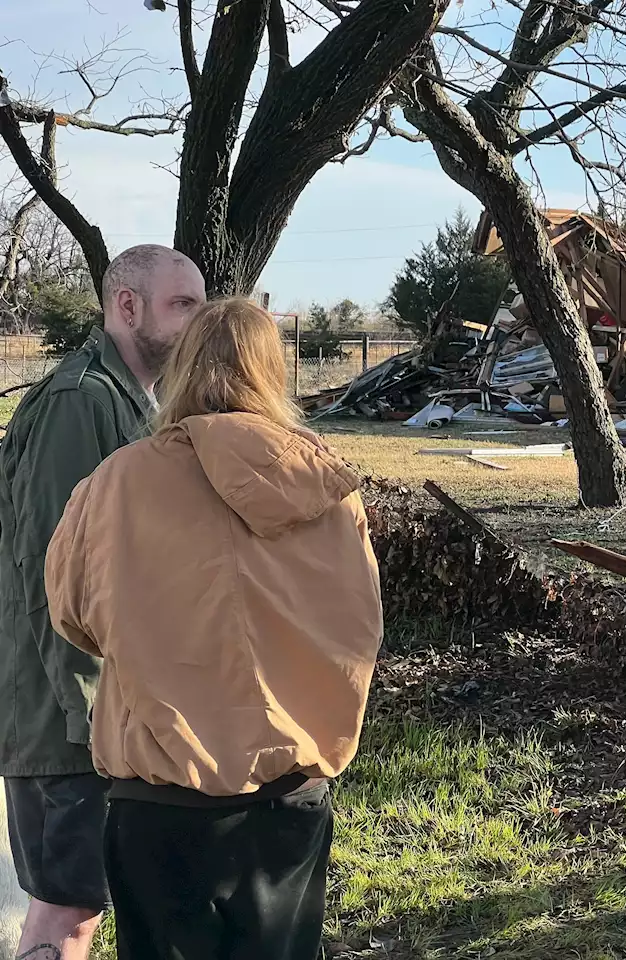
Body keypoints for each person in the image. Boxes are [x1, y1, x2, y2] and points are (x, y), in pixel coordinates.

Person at [44, 297, 383, 960]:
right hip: (288, 793)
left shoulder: (118, 480)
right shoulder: (327, 486)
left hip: (158, 795)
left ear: (184, 366)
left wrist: (151, 643)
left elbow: (71, 610)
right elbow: (360, 623)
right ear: (272, 372)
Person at [0, 245, 206, 960]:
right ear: (126, 305)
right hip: (65, 722)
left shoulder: (132, 401)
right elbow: (48, 576)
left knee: (83, 905)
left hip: (106, 710)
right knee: (66, 917)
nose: (197, 319)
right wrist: (87, 718)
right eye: (182, 304)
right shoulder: (78, 400)